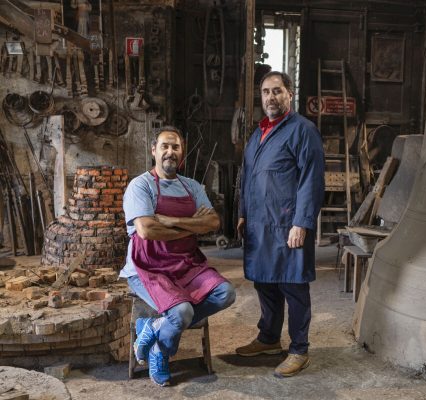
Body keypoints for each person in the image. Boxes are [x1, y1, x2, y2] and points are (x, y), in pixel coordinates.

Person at [120, 126, 236, 387]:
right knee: (182, 312)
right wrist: (190, 226)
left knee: (226, 293)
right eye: (165, 146)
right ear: (154, 151)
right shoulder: (141, 185)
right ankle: (161, 351)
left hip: (186, 264)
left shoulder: (192, 187)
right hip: (148, 267)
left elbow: (213, 223)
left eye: (176, 147)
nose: (170, 152)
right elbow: (147, 230)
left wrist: (172, 221)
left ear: (182, 153)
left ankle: (152, 328)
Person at [235, 71, 325, 378]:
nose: (270, 98)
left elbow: (311, 181)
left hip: (287, 225)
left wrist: (302, 223)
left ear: (289, 94)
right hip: (260, 224)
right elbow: (247, 176)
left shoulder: (303, 130)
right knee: (265, 282)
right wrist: (243, 212)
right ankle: (269, 338)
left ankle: (299, 349)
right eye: (265, 92)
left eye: (277, 91)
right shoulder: (258, 132)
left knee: (292, 284)